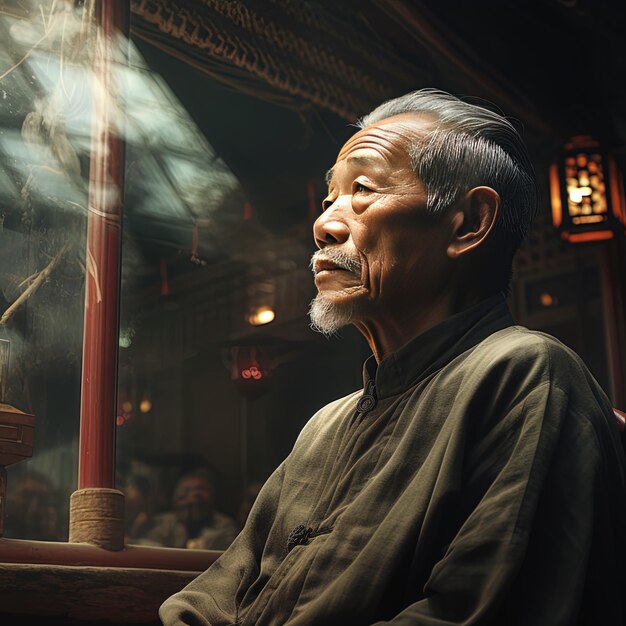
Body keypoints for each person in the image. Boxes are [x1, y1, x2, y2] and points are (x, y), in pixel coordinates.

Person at [160, 89, 626, 625]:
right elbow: (210, 596)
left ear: (469, 222)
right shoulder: (323, 427)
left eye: (362, 189)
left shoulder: (524, 375)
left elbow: (475, 611)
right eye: (328, 198)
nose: (325, 225)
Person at [143, 467, 238, 551]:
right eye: (184, 494)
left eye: (198, 493)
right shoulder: (161, 523)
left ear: (213, 496)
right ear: (173, 499)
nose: (191, 500)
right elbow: (150, 548)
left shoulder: (225, 526)